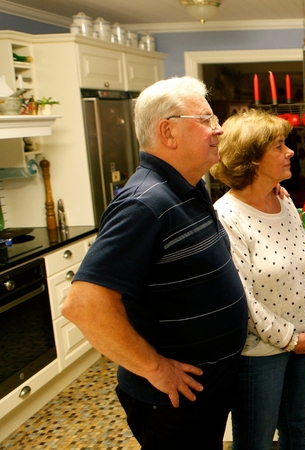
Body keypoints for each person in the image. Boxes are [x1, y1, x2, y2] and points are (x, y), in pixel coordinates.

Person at [62, 76, 248, 449]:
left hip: (206, 387)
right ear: (168, 131)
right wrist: (156, 369)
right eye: (206, 120)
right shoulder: (144, 204)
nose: (219, 129)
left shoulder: (190, 187)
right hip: (172, 399)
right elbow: (83, 305)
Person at [210, 109, 305, 450]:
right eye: (280, 146)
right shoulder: (226, 217)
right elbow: (243, 300)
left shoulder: (284, 201)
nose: (290, 151)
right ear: (251, 159)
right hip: (262, 353)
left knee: (298, 431)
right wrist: (294, 340)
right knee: (256, 442)